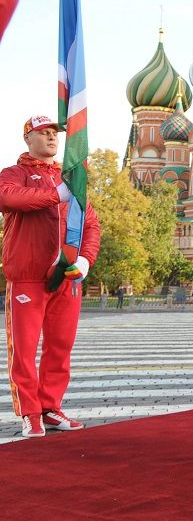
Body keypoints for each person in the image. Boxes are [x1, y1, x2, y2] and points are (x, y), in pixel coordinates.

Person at [0, 115, 102, 437]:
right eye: (43, 132)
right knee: (25, 349)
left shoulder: (72, 179)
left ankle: (50, 407)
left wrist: (85, 260)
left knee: (60, 347)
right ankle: (30, 412)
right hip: (28, 275)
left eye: (54, 132)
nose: (51, 137)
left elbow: (91, 225)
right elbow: (8, 198)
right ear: (27, 138)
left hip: (68, 277)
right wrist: (55, 194)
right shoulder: (14, 174)